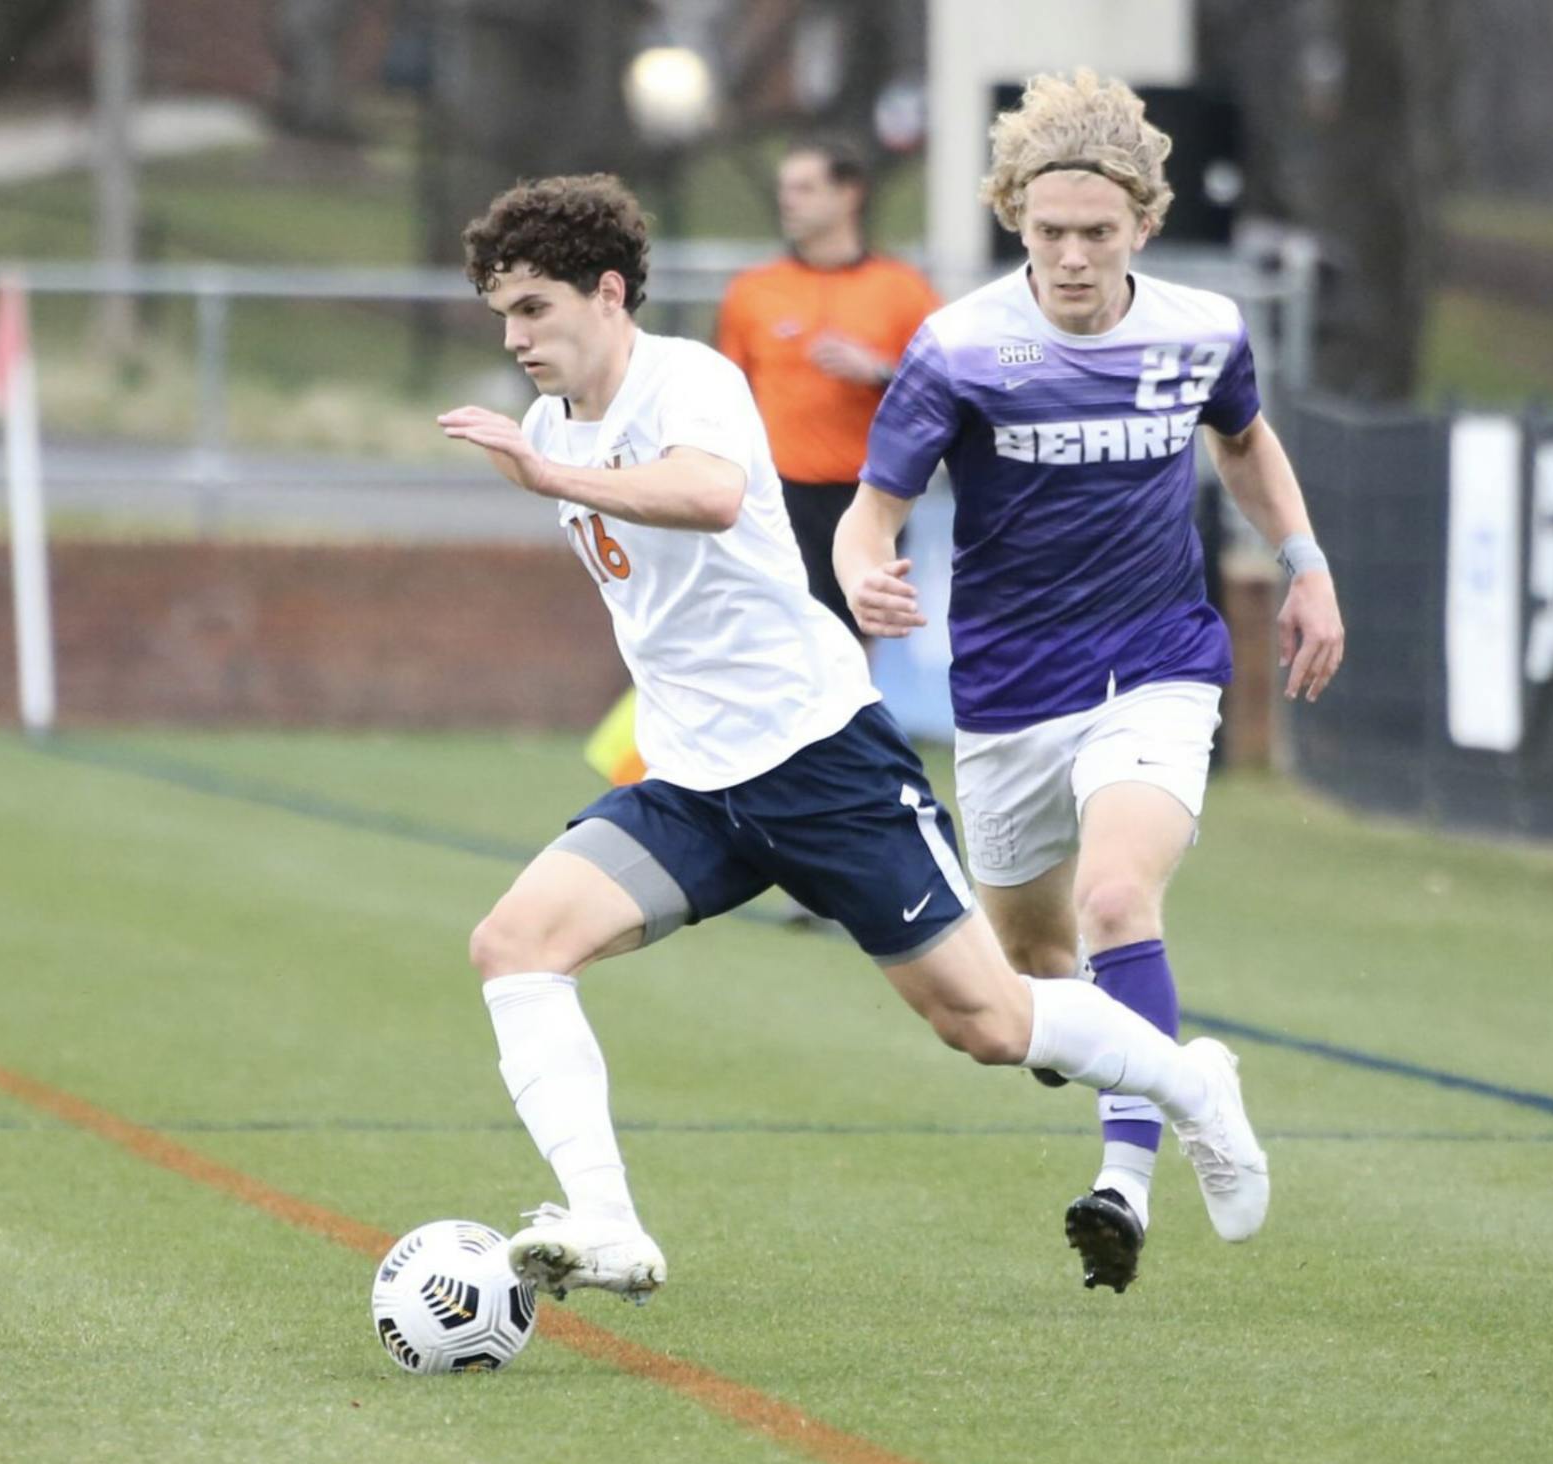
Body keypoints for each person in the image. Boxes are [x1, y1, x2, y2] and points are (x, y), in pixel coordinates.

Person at [438, 172, 1270, 1304]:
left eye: (532, 308)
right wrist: (549, 458)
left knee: (988, 1022)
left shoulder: (691, 380)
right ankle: (608, 1223)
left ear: (608, 292)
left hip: (819, 759)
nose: (515, 335)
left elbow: (709, 494)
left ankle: (1190, 1085)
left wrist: (550, 475)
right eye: (501, 315)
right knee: (514, 945)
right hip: (691, 780)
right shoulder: (547, 423)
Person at [835, 70, 1345, 1294]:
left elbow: (1243, 439)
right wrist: (864, 575)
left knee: (1119, 900)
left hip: (1157, 663)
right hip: (1009, 693)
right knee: (1025, 993)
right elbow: (872, 514)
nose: (1070, 258)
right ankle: (1178, 1072)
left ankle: (1126, 1182)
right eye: (1048, 232)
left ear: (1142, 227)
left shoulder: (1198, 328)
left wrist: (1305, 566)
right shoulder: (957, 347)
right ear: (1015, 218)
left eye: (1096, 234)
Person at [716, 139, 939, 638]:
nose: (788, 200)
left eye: (805, 188)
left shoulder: (902, 289)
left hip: (872, 494)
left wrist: (879, 370)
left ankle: (853, 715)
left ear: (849, 194)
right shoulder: (752, 292)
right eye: (784, 189)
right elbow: (725, 394)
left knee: (855, 641)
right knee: (791, 636)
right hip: (779, 494)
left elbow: (946, 394)